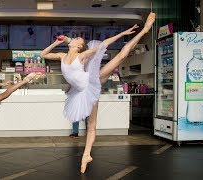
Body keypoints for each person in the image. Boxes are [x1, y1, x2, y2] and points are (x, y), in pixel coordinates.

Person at [40, 12, 156, 173]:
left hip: (92, 81)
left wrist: (122, 33)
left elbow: (104, 44)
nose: (73, 38)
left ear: (79, 46)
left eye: (76, 39)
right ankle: (86, 155)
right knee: (91, 124)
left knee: (122, 55)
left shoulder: (82, 55)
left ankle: (145, 30)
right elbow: (42, 54)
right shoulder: (61, 55)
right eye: (74, 38)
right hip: (82, 91)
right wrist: (55, 42)